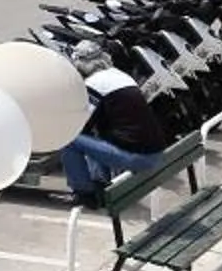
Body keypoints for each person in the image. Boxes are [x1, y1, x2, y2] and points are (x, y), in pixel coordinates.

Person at [60, 40, 171, 207]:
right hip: (154, 153)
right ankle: (100, 184)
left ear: (81, 63)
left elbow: (80, 124)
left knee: (69, 140)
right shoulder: (121, 76)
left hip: (137, 158)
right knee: (95, 136)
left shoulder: (95, 83)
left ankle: (84, 194)